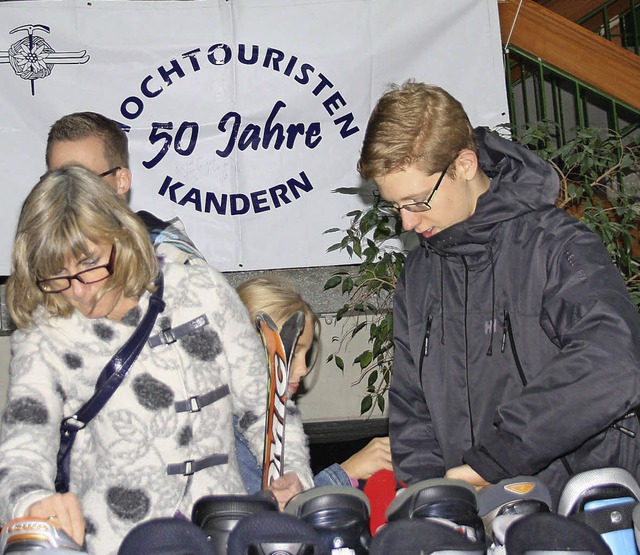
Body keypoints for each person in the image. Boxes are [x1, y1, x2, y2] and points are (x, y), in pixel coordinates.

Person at [0, 166, 313, 553]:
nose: (80, 291)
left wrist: (293, 476)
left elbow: (267, 408)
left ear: (120, 235)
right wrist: (31, 502)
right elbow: (23, 447)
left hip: (224, 532)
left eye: (89, 263)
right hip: (117, 542)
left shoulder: (200, 289)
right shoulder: (44, 334)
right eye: (56, 275)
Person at [357, 80, 640, 506]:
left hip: (577, 510)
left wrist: (499, 458)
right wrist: (432, 502)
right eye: (395, 206)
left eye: (416, 201)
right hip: (470, 512)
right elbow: (413, 410)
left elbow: (616, 360)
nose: (407, 224)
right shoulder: (418, 274)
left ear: (465, 165)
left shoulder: (555, 245)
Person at [234, 275, 393, 491]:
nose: (303, 369)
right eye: (294, 351)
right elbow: (265, 520)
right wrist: (346, 472)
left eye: (306, 354)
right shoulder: (222, 433)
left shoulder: (265, 424)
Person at [46, 111, 205, 266]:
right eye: (58, 180)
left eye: (86, 179)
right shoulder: (39, 253)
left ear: (121, 181)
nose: (68, 191)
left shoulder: (170, 262)